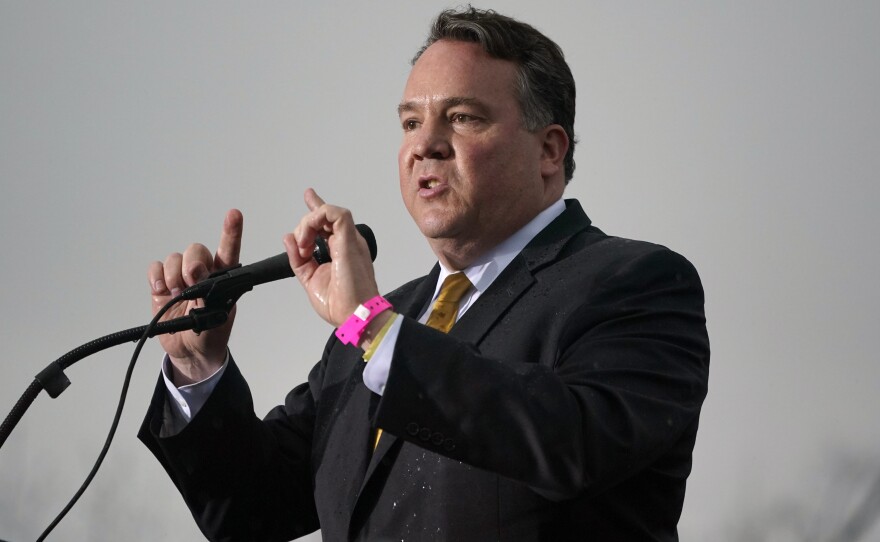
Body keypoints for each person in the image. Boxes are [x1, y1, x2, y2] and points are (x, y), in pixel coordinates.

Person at [139, 7, 709, 541]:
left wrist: (374, 330)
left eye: (461, 118)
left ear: (549, 151)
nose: (424, 146)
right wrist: (198, 365)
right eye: (410, 122)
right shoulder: (383, 323)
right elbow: (249, 510)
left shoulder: (638, 283)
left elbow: (573, 444)